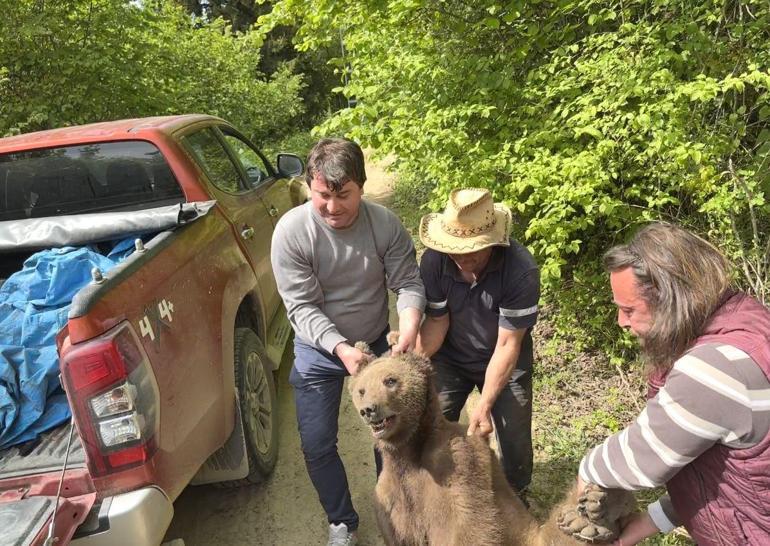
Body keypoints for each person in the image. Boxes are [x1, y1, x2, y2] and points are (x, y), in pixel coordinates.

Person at [270, 138, 425, 546]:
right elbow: (300, 307)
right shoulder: (291, 232)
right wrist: (339, 348)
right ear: (308, 186)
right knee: (317, 442)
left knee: (389, 434)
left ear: (361, 185)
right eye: (323, 196)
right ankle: (342, 521)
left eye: (344, 195)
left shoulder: (384, 224)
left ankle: (391, 507)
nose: (333, 208)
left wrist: (408, 324)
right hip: (316, 349)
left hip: (374, 340)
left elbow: (408, 282)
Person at [577, 223, 770, 546]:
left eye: (629, 310)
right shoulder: (747, 324)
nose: (621, 322)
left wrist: (587, 474)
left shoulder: (713, 368)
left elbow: (642, 456)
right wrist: (642, 526)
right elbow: (729, 480)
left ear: (671, 300)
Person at [415, 187, 540, 496]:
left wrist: (483, 406)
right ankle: (442, 493)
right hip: (451, 358)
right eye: (455, 248)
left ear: (494, 242)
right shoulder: (434, 262)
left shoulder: (520, 271)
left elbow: (508, 346)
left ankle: (516, 495)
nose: (463, 256)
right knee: (431, 424)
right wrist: (410, 364)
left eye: (473, 249)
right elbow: (436, 322)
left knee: (514, 440)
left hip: (506, 360)